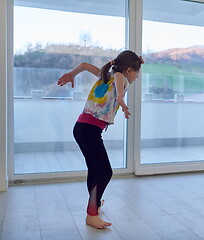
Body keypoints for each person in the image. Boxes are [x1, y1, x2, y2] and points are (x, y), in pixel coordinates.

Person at [57, 50, 144, 229]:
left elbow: (83, 65)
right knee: (105, 172)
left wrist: (71, 74)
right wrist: (121, 100)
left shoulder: (105, 75)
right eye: (137, 72)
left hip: (81, 128)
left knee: (95, 169)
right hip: (89, 131)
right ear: (129, 70)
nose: (137, 76)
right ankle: (91, 214)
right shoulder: (120, 77)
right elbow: (120, 79)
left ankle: (94, 205)